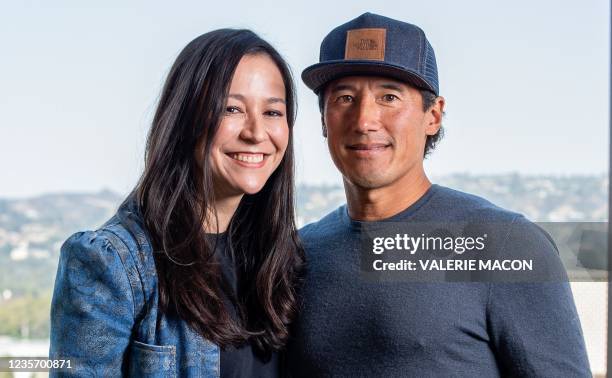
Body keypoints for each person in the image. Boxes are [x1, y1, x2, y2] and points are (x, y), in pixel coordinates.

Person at [285, 12, 591, 376]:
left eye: (389, 97)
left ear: (433, 115)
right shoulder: (299, 254)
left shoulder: (505, 244)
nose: (365, 120)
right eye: (345, 98)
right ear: (323, 119)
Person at [49, 29, 304, 377]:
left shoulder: (283, 261)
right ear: (187, 118)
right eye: (232, 108)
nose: (256, 132)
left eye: (273, 112)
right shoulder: (112, 264)